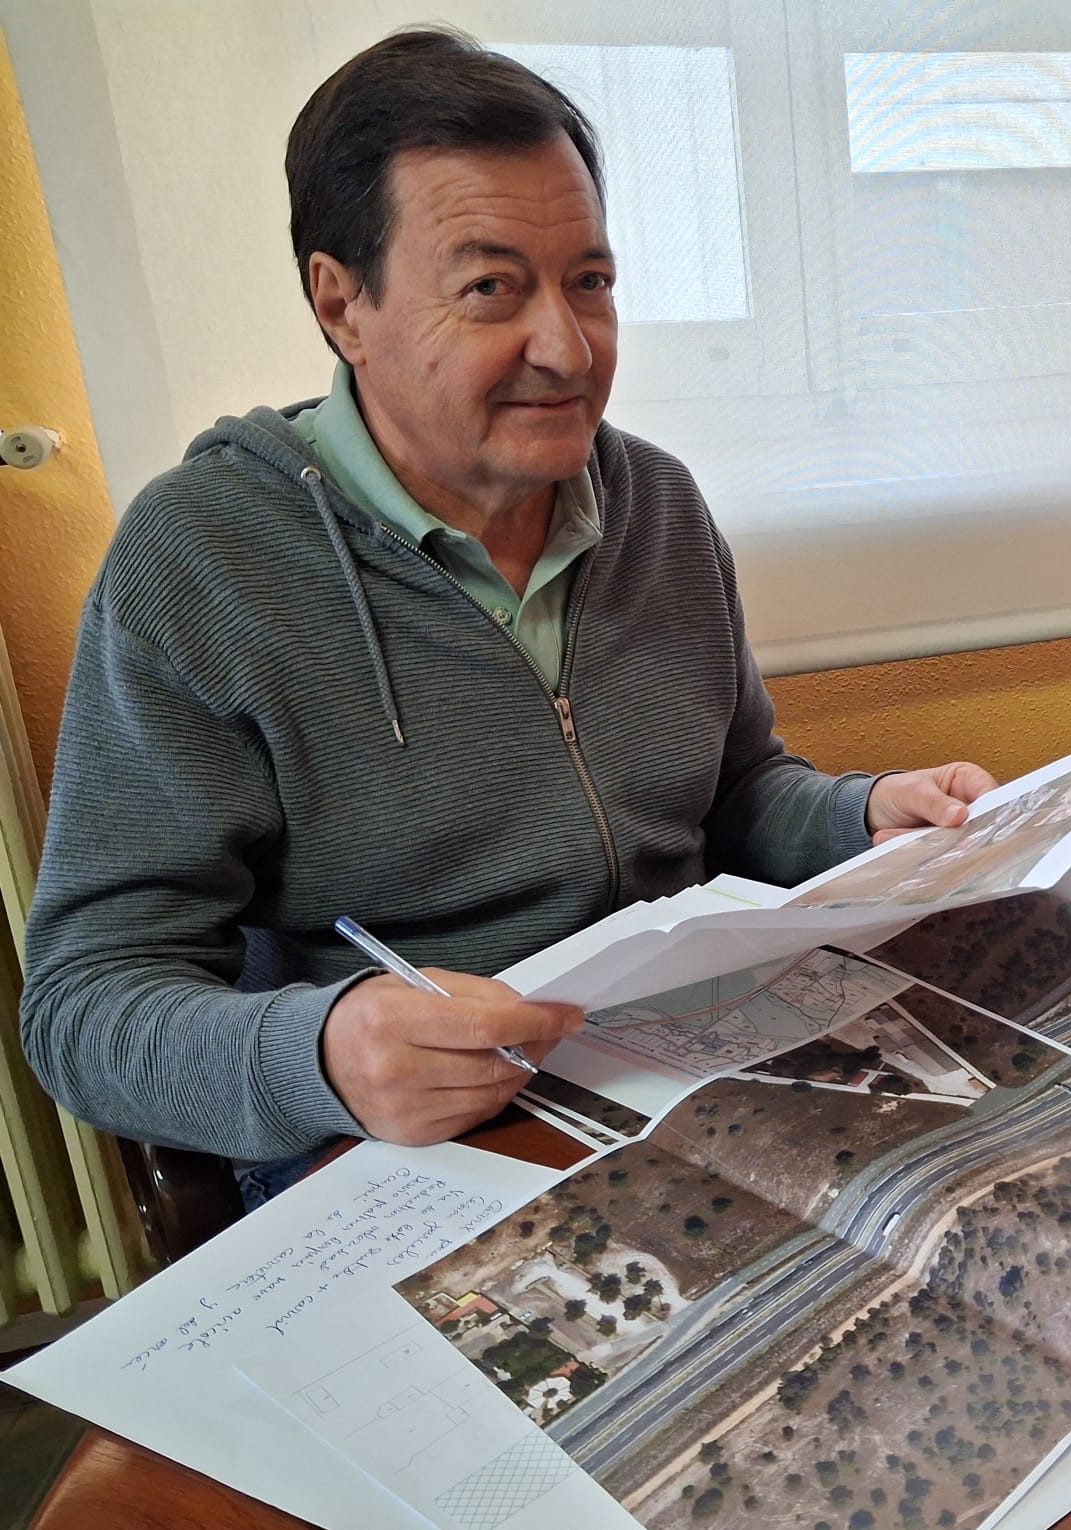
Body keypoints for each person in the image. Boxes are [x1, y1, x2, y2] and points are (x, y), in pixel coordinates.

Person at [19, 29, 993, 1175]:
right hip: (413, 1148)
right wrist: (316, 1051)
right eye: (491, 289)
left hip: (693, 1075)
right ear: (342, 306)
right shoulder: (206, 559)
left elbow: (733, 796)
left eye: (591, 281)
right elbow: (84, 1006)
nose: (567, 345)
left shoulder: (656, 504)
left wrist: (858, 816)